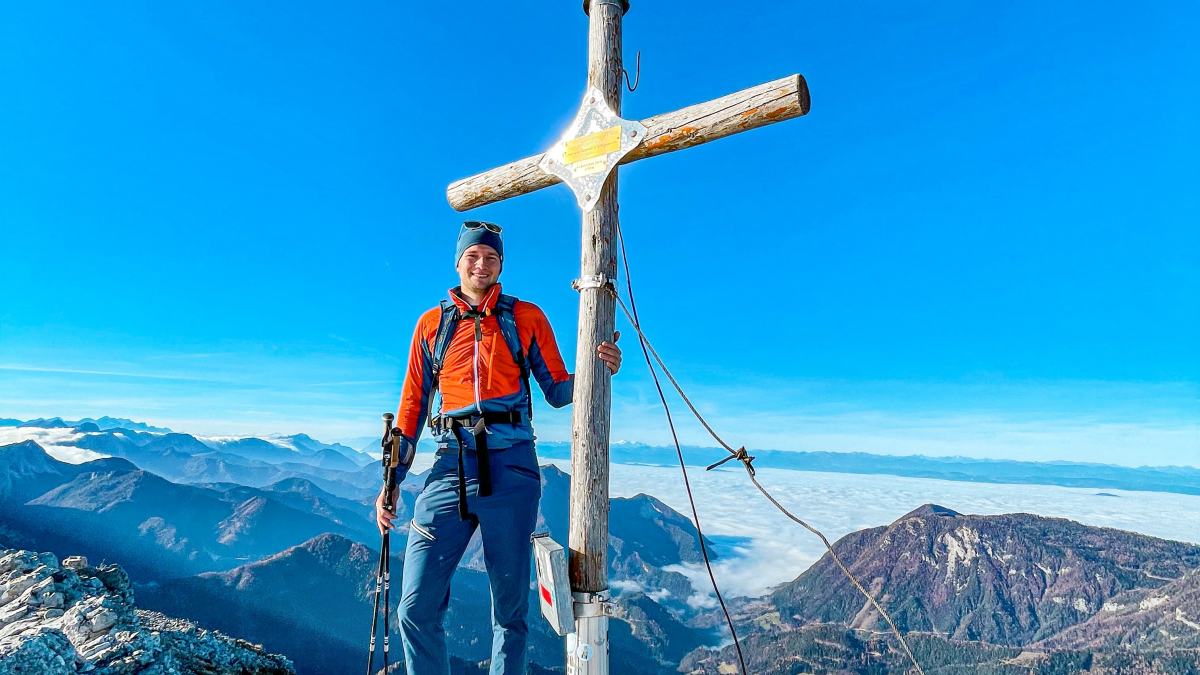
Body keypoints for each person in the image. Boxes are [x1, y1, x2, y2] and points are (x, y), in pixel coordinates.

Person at [375, 220, 621, 675]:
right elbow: (412, 404)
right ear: (458, 261)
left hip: (512, 468)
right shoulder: (432, 325)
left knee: (509, 613)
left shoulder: (525, 317)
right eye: (473, 256)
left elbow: (557, 389)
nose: (481, 263)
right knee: (414, 607)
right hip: (450, 466)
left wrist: (598, 366)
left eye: (491, 257)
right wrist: (392, 481)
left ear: (501, 264)